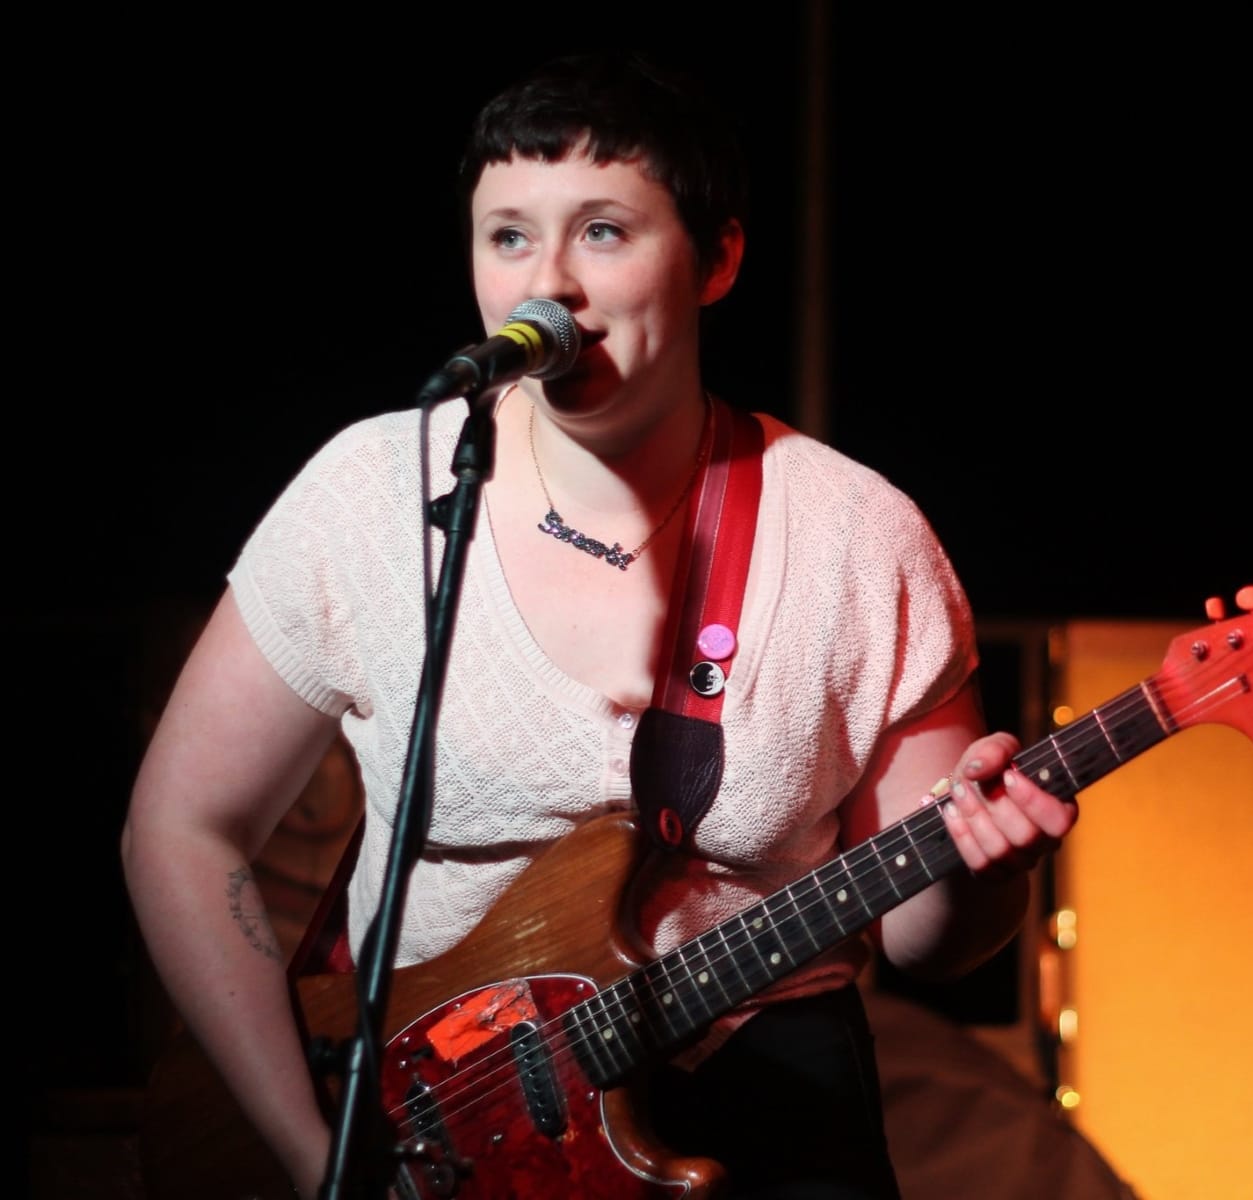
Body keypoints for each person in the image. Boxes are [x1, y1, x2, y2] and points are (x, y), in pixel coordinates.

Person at [121, 49, 1076, 1199]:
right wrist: (310, 1153)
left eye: (605, 232)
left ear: (718, 258)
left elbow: (933, 940)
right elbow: (184, 827)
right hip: (432, 1124)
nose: (549, 285)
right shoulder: (376, 492)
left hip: (766, 1111)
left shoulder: (856, 536)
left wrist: (984, 874)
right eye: (509, 235)